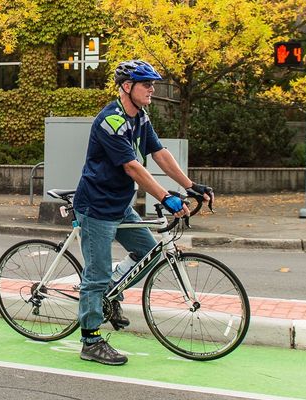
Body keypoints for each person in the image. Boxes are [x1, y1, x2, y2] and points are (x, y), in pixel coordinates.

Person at [72, 60, 210, 365]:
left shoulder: (140, 117)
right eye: (146, 84)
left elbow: (158, 153)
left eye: (152, 84)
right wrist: (166, 197)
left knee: (149, 254)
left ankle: (110, 293)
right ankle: (90, 340)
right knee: (96, 275)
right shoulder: (112, 121)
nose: (152, 89)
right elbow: (132, 166)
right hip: (96, 207)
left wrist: (191, 185)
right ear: (126, 87)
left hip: (120, 204)